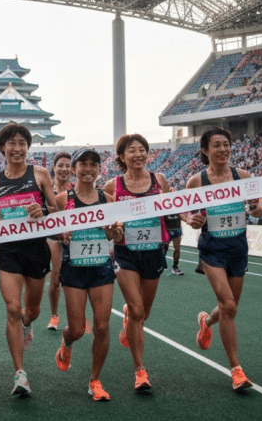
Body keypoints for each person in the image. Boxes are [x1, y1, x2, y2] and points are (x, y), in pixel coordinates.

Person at [183, 127, 262, 391]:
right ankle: (236, 371)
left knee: (230, 308)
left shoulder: (244, 176)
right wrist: (190, 219)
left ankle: (206, 322)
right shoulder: (197, 181)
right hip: (212, 249)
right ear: (205, 151)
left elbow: (257, 208)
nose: (222, 150)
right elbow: (183, 210)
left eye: (226, 144)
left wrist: (258, 208)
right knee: (228, 304)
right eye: (216, 145)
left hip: (238, 247)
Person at [0, 123, 60, 398]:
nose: (17, 148)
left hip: (36, 250)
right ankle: (20, 373)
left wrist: (42, 209)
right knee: (12, 308)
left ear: (27, 148)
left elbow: (55, 209)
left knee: (33, 311)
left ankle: (28, 325)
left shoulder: (39, 174)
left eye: (22, 143)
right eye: (11, 143)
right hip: (8, 252)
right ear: (2, 148)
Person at [103, 133, 170, 392]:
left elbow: (171, 207)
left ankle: (129, 323)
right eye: (132, 150)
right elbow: (105, 218)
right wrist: (114, 230)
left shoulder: (159, 180)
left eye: (142, 149)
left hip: (153, 251)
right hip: (125, 253)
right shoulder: (113, 186)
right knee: (137, 310)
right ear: (121, 156)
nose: (138, 154)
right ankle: (140, 371)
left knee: (143, 314)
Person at [54, 148, 120, 402]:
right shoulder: (63, 200)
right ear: (74, 169)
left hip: (101, 268)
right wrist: (62, 234)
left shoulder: (109, 200)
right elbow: (54, 232)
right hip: (74, 270)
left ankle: (95, 379)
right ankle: (66, 340)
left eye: (94, 164)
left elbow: (115, 235)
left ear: (100, 169)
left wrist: (113, 232)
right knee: (79, 330)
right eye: (83, 164)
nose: (88, 169)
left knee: (102, 327)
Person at [46, 151, 72, 331]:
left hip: (74, 238)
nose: (64, 169)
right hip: (52, 237)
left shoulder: (77, 190)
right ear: (54, 167)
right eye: (60, 165)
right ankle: (54, 315)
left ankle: (75, 315)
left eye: (68, 166)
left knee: (74, 279)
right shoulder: (46, 190)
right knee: (56, 275)